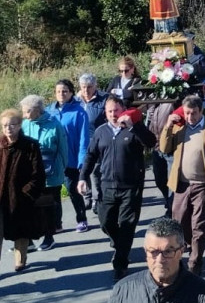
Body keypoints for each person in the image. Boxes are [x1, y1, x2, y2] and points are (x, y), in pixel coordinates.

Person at [78, 96, 156, 280]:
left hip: (130, 186)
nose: (113, 114)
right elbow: (90, 156)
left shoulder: (134, 128)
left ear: (123, 110)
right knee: (105, 222)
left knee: (127, 225)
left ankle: (120, 264)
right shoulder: (101, 132)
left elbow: (151, 142)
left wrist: (134, 126)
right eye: (110, 111)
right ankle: (118, 243)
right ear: (105, 113)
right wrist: (83, 178)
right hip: (107, 186)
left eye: (116, 110)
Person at [159, 94, 205, 275]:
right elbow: (164, 148)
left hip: (202, 185)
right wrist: (168, 126)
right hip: (182, 185)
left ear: (201, 111)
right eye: (187, 113)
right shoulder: (179, 128)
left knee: (199, 226)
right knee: (179, 224)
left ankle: (194, 264)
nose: (190, 117)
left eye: (193, 113)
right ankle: (186, 251)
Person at [0, 109, 45, 277]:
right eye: (5, 125)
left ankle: (20, 259)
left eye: (12, 125)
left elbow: (37, 174)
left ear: (19, 125)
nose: (8, 129)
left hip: (19, 197)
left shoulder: (30, 145)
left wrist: (27, 193)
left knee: (21, 229)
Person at [108, 217, 205, 303]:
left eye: (168, 252)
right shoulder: (123, 291)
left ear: (181, 252)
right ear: (145, 251)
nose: (160, 259)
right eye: (153, 252)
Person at [20, 94, 68, 251]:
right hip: (31, 174)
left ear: (36, 110)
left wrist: (62, 169)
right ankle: (30, 241)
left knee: (48, 206)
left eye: (26, 111)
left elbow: (63, 149)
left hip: (51, 173)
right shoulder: (25, 125)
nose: (24, 115)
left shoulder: (54, 125)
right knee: (30, 206)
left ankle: (49, 237)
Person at [45, 79, 92, 234]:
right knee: (54, 193)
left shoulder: (79, 112)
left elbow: (84, 140)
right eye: (58, 91)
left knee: (73, 190)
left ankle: (82, 219)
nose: (61, 94)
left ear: (71, 92)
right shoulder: (49, 112)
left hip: (71, 160)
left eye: (65, 91)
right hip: (53, 161)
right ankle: (57, 223)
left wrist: (81, 161)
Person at [75, 73, 108, 212]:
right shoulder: (75, 101)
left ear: (95, 86)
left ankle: (97, 199)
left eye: (89, 87)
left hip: (97, 141)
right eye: (83, 87)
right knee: (82, 169)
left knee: (95, 172)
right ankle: (86, 196)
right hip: (80, 142)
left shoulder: (103, 99)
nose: (86, 90)